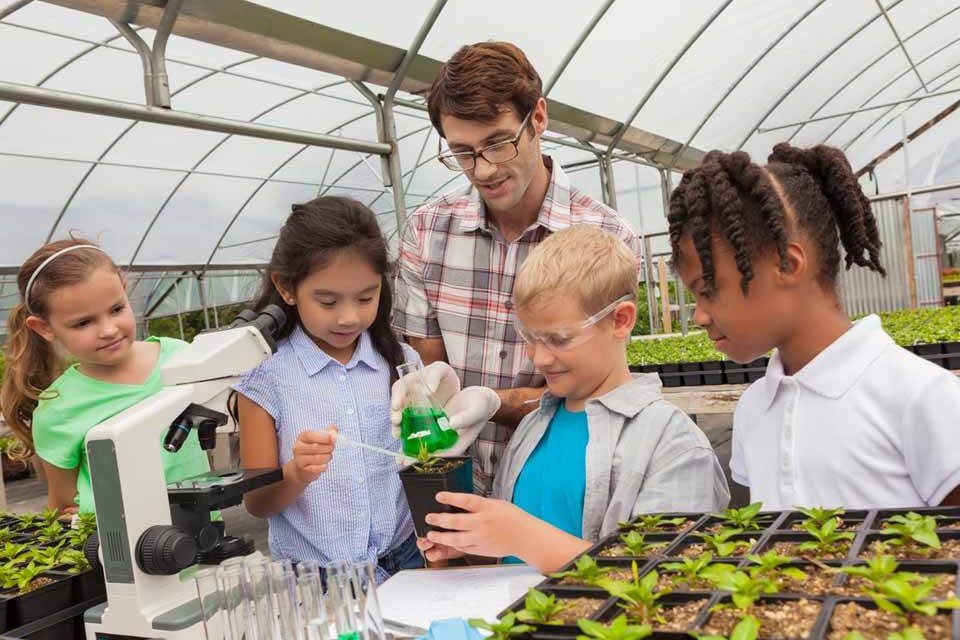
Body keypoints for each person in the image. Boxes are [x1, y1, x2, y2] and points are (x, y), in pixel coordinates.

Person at [393, 41, 643, 496]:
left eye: (498, 144)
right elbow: (427, 376)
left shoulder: (608, 238)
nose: (483, 169)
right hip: (455, 486)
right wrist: (431, 394)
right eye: (463, 153)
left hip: (562, 490)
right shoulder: (428, 234)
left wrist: (493, 404)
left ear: (539, 118)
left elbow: (597, 391)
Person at [416, 226, 729, 574]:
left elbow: (668, 579)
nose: (540, 359)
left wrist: (524, 536)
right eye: (530, 338)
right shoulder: (533, 428)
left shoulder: (672, 444)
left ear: (621, 320)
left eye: (559, 339)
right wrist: (465, 545)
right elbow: (511, 559)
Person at [669, 142, 960, 510]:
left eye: (708, 290)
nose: (699, 316)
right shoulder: (754, 408)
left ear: (788, 265)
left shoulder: (923, 397)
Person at [234, 196, 489, 580]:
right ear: (286, 288)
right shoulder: (264, 380)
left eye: (366, 297)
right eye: (327, 301)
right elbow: (257, 503)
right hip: (318, 581)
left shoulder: (400, 362)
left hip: (406, 560)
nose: (349, 316)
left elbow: (423, 461)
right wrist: (297, 473)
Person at [0, 239, 211, 514]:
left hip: (205, 538)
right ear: (44, 328)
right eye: (83, 323)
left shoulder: (182, 360)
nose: (108, 330)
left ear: (124, 290)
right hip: (119, 553)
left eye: (116, 309)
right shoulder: (58, 409)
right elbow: (64, 506)